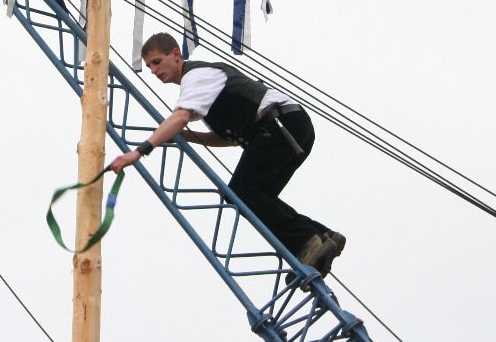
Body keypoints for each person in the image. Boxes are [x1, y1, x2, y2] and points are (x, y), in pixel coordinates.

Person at [109, 32, 345, 280]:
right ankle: (322, 236)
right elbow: (227, 140)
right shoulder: (206, 93)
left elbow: (179, 117)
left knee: (241, 194)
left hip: (280, 125)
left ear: (176, 55)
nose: (153, 71)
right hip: (290, 127)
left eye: (156, 62)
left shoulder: (197, 76)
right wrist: (186, 137)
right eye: (148, 66)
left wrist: (139, 151)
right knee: (256, 196)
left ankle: (308, 241)